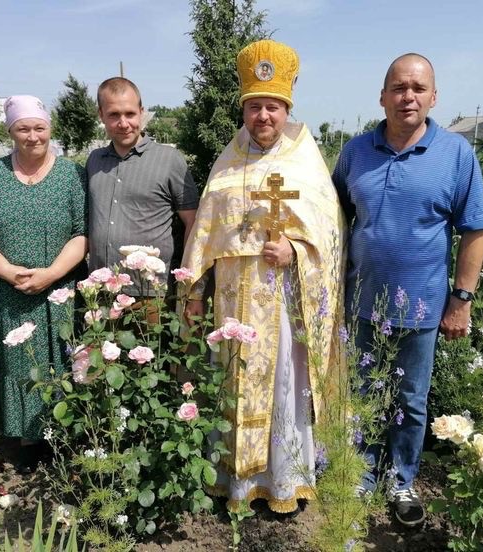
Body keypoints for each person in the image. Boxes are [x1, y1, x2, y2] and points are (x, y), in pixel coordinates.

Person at [181, 39, 345, 515]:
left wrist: (294, 248)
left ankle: (284, 479)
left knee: (284, 386)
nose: (263, 117)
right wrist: (192, 287)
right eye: (254, 107)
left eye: (272, 106)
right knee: (232, 379)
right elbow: (206, 230)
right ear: (245, 109)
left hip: (285, 302)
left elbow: (329, 231)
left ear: (286, 107)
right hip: (234, 302)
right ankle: (235, 482)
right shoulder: (228, 159)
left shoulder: (306, 159)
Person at [332, 53, 483, 526]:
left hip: (422, 307)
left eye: (418, 88)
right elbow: (334, 219)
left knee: (410, 400)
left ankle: (401, 481)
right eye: (399, 88)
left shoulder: (456, 154)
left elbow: (475, 229)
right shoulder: (355, 152)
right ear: (382, 97)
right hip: (361, 301)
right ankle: (359, 474)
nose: (408, 97)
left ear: (434, 97)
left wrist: (460, 301)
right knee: (359, 392)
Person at [0, 95, 88, 473]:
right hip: (5, 289)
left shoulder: (71, 175)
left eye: (39, 127)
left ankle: (64, 436)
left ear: (50, 129)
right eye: (23, 128)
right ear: (10, 132)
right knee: (18, 362)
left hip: (59, 286)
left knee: (60, 358)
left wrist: (50, 273)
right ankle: (28, 444)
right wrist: (8, 271)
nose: (32, 136)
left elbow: (83, 232)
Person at [86, 77, 198, 305]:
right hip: (103, 291)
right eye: (114, 115)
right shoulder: (94, 162)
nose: (123, 123)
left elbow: (193, 221)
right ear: (101, 115)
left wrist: (188, 283)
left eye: (130, 114)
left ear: (141, 112)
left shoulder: (169, 160)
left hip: (151, 293)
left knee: (154, 342)